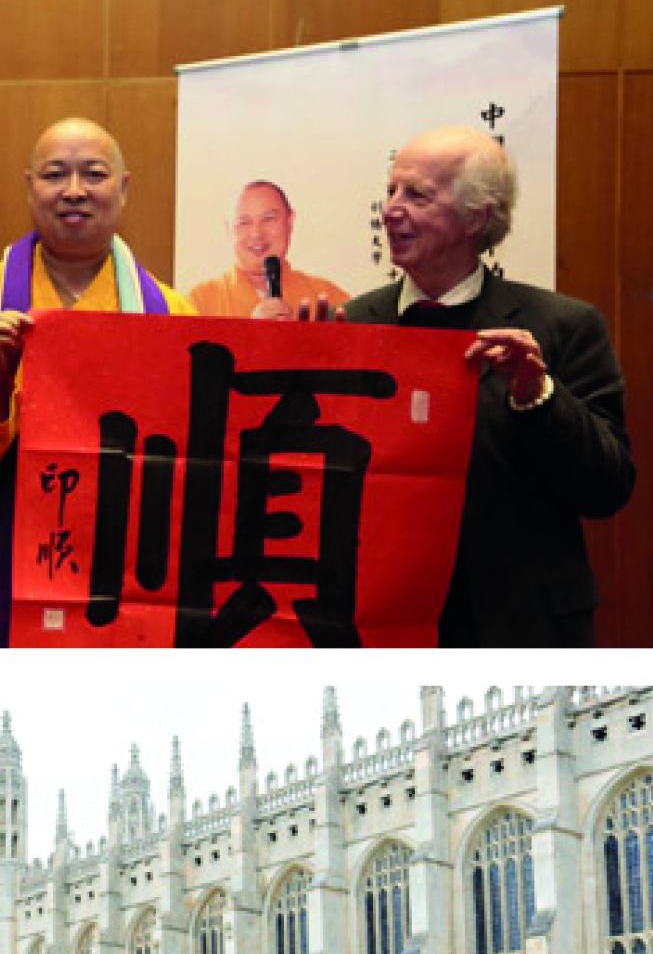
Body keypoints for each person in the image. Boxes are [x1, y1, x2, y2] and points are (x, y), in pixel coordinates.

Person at [0, 116, 193, 646]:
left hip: (120, 549)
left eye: (93, 175)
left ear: (123, 188)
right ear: (30, 186)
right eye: (56, 175)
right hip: (2, 543)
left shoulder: (167, 312)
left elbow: (200, 448)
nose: (74, 191)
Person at [341, 126, 634, 646]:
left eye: (417, 195)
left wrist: (540, 397)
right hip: (384, 624)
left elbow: (607, 488)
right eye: (391, 191)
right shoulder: (351, 325)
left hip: (523, 629)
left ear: (476, 217)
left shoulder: (564, 326)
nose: (390, 210)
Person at [188, 181, 348, 320]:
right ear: (228, 230)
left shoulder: (328, 297)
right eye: (243, 222)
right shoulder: (199, 302)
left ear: (290, 222)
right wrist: (251, 335)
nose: (256, 233)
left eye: (269, 219)